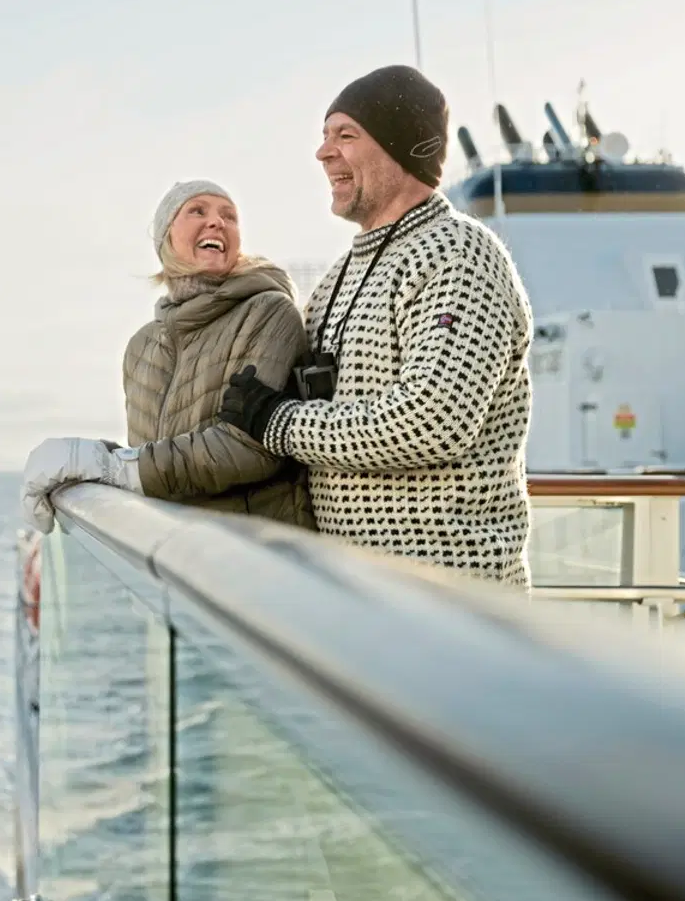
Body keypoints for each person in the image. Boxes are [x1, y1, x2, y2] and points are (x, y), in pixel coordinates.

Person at [219, 64, 535, 585]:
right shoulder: (342, 275)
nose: (323, 153)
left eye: (346, 135)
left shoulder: (459, 254)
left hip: (450, 597)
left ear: (403, 148)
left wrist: (278, 423)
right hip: (360, 592)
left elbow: (433, 420)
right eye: (324, 136)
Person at [19, 179, 314, 535]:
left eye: (229, 216)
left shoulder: (268, 312)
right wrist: (88, 465)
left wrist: (109, 465)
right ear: (166, 238)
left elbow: (250, 448)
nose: (217, 222)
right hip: (174, 556)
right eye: (197, 211)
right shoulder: (141, 347)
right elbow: (147, 459)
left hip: (255, 555)